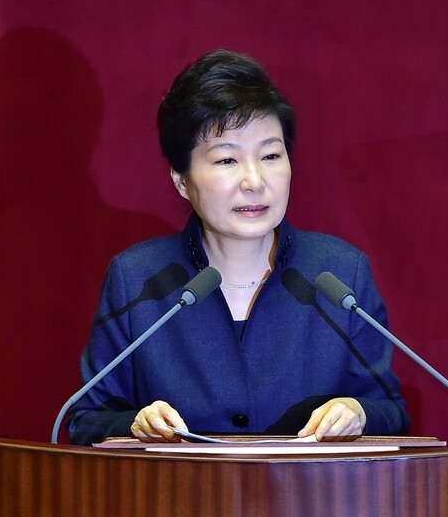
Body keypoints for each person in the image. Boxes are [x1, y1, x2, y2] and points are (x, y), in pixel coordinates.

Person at [66, 49, 409, 445]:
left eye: (270, 155)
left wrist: (359, 412)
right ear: (181, 180)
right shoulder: (137, 280)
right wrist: (135, 424)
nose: (255, 181)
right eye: (227, 160)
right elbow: (84, 420)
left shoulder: (340, 273)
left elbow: (391, 411)